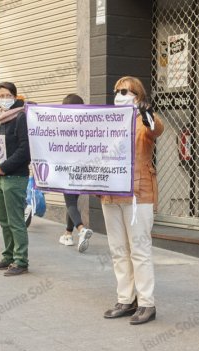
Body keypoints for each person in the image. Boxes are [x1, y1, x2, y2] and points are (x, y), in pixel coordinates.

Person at [101, 76, 164, 324]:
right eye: (116, 90)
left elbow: (157, 129)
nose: (119, 94)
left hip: (139, 193)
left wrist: (147, 114)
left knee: (139, 250)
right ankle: (126, 299)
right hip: (110, 192)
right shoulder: (107, 122)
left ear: (137, 96)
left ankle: (147, 303)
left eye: (125, 91)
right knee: (118, 250)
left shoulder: (143, 120)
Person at [0, 81, 30, 276]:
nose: (4, 99)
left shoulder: (20, 117)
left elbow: (25, 150)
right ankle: (8, 256)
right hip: (0, 176)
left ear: (14, 96)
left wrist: (5, 166)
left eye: (7, 95)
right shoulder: (1, 119)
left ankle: (21, 260)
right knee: (3, 219)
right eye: (1, 96)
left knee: (15, 221)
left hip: (14, 176)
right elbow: (0, 149)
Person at [58, 93, 93, 252]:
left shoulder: (61, 125)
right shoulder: (87, 124)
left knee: (70, 203)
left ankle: (81, 229)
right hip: (82, 168)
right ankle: (67, 234)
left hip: (66, 168)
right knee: (73, 201)